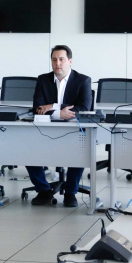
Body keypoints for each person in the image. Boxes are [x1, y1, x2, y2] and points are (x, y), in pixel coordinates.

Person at [26, 45, 92, 207]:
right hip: (45, 130)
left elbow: (84, 108)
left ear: (70, 61)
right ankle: (43, 191)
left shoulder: (83, 80)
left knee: (80, 151)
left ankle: (71, 192)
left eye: (61, 59)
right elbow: (38, 108)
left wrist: (53, 107)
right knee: (26, 150)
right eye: (54, 59)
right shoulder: (43, 79)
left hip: (73, 131)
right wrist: (60, 112)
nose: (58, 63)